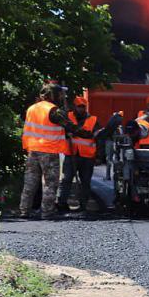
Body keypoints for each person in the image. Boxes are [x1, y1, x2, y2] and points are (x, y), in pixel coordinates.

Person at [18, 82, 73, 219]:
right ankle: (47, 212)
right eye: (60, 95)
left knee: (30, 182)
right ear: (53, 95)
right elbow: (69, 125)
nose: (62, 97)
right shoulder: (53, 110)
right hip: (48, 150)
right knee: (50, 183)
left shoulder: (31, 108)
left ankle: (24, 211)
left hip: (32, 150)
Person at [57, 96, 119, 214]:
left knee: (85, 181)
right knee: (67, 180)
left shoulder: (93, 120)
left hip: (87, 156)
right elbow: (61, 130)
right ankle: (62, 203)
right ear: (74, 107)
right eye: (79, 107)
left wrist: (99, 156)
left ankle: (83, 205)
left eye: (83, 107)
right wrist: (67, 133)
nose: (81, 109)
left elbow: (99, 139)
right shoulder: (67, 117)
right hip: (71, 154)